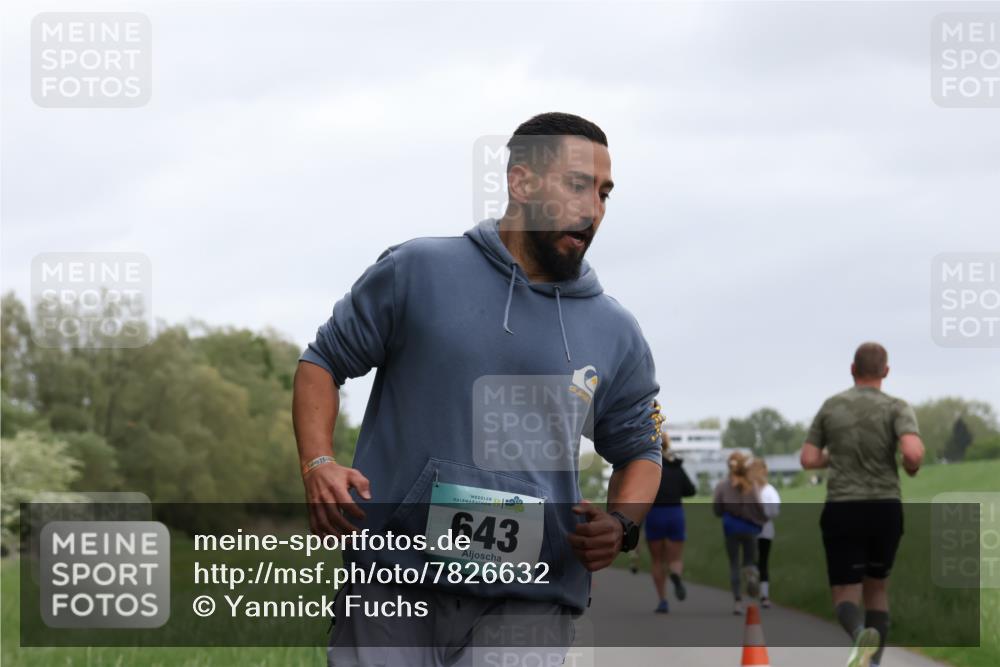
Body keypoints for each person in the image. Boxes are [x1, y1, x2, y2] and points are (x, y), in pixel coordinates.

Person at [293, 112, 664, 666]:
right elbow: (321, 363)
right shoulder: (419, 270)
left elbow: (641, 449)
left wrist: (622, 523)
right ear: (521, 182)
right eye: (577, 185)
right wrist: (319, 462)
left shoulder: (615, 330)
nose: (593, 210)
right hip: (393, 579)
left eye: (605, 194)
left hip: (531, 597)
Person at [800, 342, 925, 667]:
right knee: (877, 590)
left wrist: (836, 457)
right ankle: (873, 663)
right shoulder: (897, 407)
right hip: (885, 508)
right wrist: (910, 467)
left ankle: (858, 634)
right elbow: (912, 453)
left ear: (853, 369)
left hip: (843, 508)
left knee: (845, 594)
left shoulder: (831, 406)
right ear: (885, 371)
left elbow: (808, 458)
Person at [644, 429, 696, 613]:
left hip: (655, 514)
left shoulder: (648, 466)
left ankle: (662, 600)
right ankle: (675, 574)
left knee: (657, 560)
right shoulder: (676, 467)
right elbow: (691, 490)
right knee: (675, 558)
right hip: (675, 513)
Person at [712, 451, 768, 615]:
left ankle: (737, 602)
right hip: (750, 528)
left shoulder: (722, 485)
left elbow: (717, 508)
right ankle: (751, 573)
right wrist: (762, 520)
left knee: (734, 564)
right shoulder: (751, 484)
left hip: (731, 528)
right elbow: (759, 505)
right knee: (750, 560)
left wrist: (724, 512)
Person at [748, 458, 780, 608]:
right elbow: (775, 511)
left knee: (757, 561)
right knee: (760, 562)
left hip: (756, 530)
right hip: (760, 530)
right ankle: (762, 594)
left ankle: (759, 589)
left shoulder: (756, 490)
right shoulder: (766, 490)